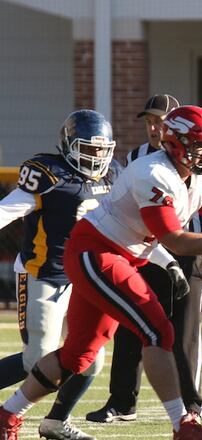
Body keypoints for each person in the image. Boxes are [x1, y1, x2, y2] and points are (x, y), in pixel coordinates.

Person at [0, 105, 202, 440]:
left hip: (119, 256)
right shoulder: (152, 172)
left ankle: (8, 414)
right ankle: (183, 425)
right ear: (176, 144)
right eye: (200, 146)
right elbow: (175, 239)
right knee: (157, 332)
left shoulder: (198, 175)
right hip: (95, 253)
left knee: (80, 355)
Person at [86, 94, 202, 423]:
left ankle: (192, 404)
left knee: (184, 330)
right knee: (131, 323)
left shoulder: (201, 158)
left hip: (188, 247)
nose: (153, 128)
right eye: (149, 122)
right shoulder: (138, 158)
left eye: (159, 121)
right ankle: (122, 401)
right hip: (145, 250)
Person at [0, 110, 120, 440]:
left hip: (84, 279)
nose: (96, 157)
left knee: (91, 359)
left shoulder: (113, 176)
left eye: (101, 150)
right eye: (89, 149)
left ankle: (55, 422)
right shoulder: (50, 176)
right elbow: (6, 210)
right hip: (44, 275)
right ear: (69, 145)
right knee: (36, 360)